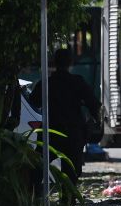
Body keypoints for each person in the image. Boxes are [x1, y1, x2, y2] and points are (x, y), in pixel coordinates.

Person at [31, 48, 101, 189]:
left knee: (39, 169)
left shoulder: (46, 83)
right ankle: (67, 202)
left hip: (50, 131)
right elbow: (93, 104)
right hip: (73, 133)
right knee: (72, 172)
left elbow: (34, 102)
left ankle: (36, 200)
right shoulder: (77, 82)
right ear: (71, 63)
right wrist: (95, 121)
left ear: (54, 63)